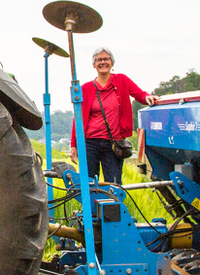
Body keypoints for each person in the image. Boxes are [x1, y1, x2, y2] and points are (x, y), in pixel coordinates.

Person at [68, 48, 158, 182]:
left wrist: (147, 97)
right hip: (90, 143)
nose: (103, 62)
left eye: (106, 59)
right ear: (94, 64)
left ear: (112, 63)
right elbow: (78, 117)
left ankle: (113, 204)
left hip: (113, 143)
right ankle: (92, 204)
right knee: (88, 183)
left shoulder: (121, 80)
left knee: (114, 182)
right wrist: (74, 144)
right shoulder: (86, 88)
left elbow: (139, 94)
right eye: (99, 59)